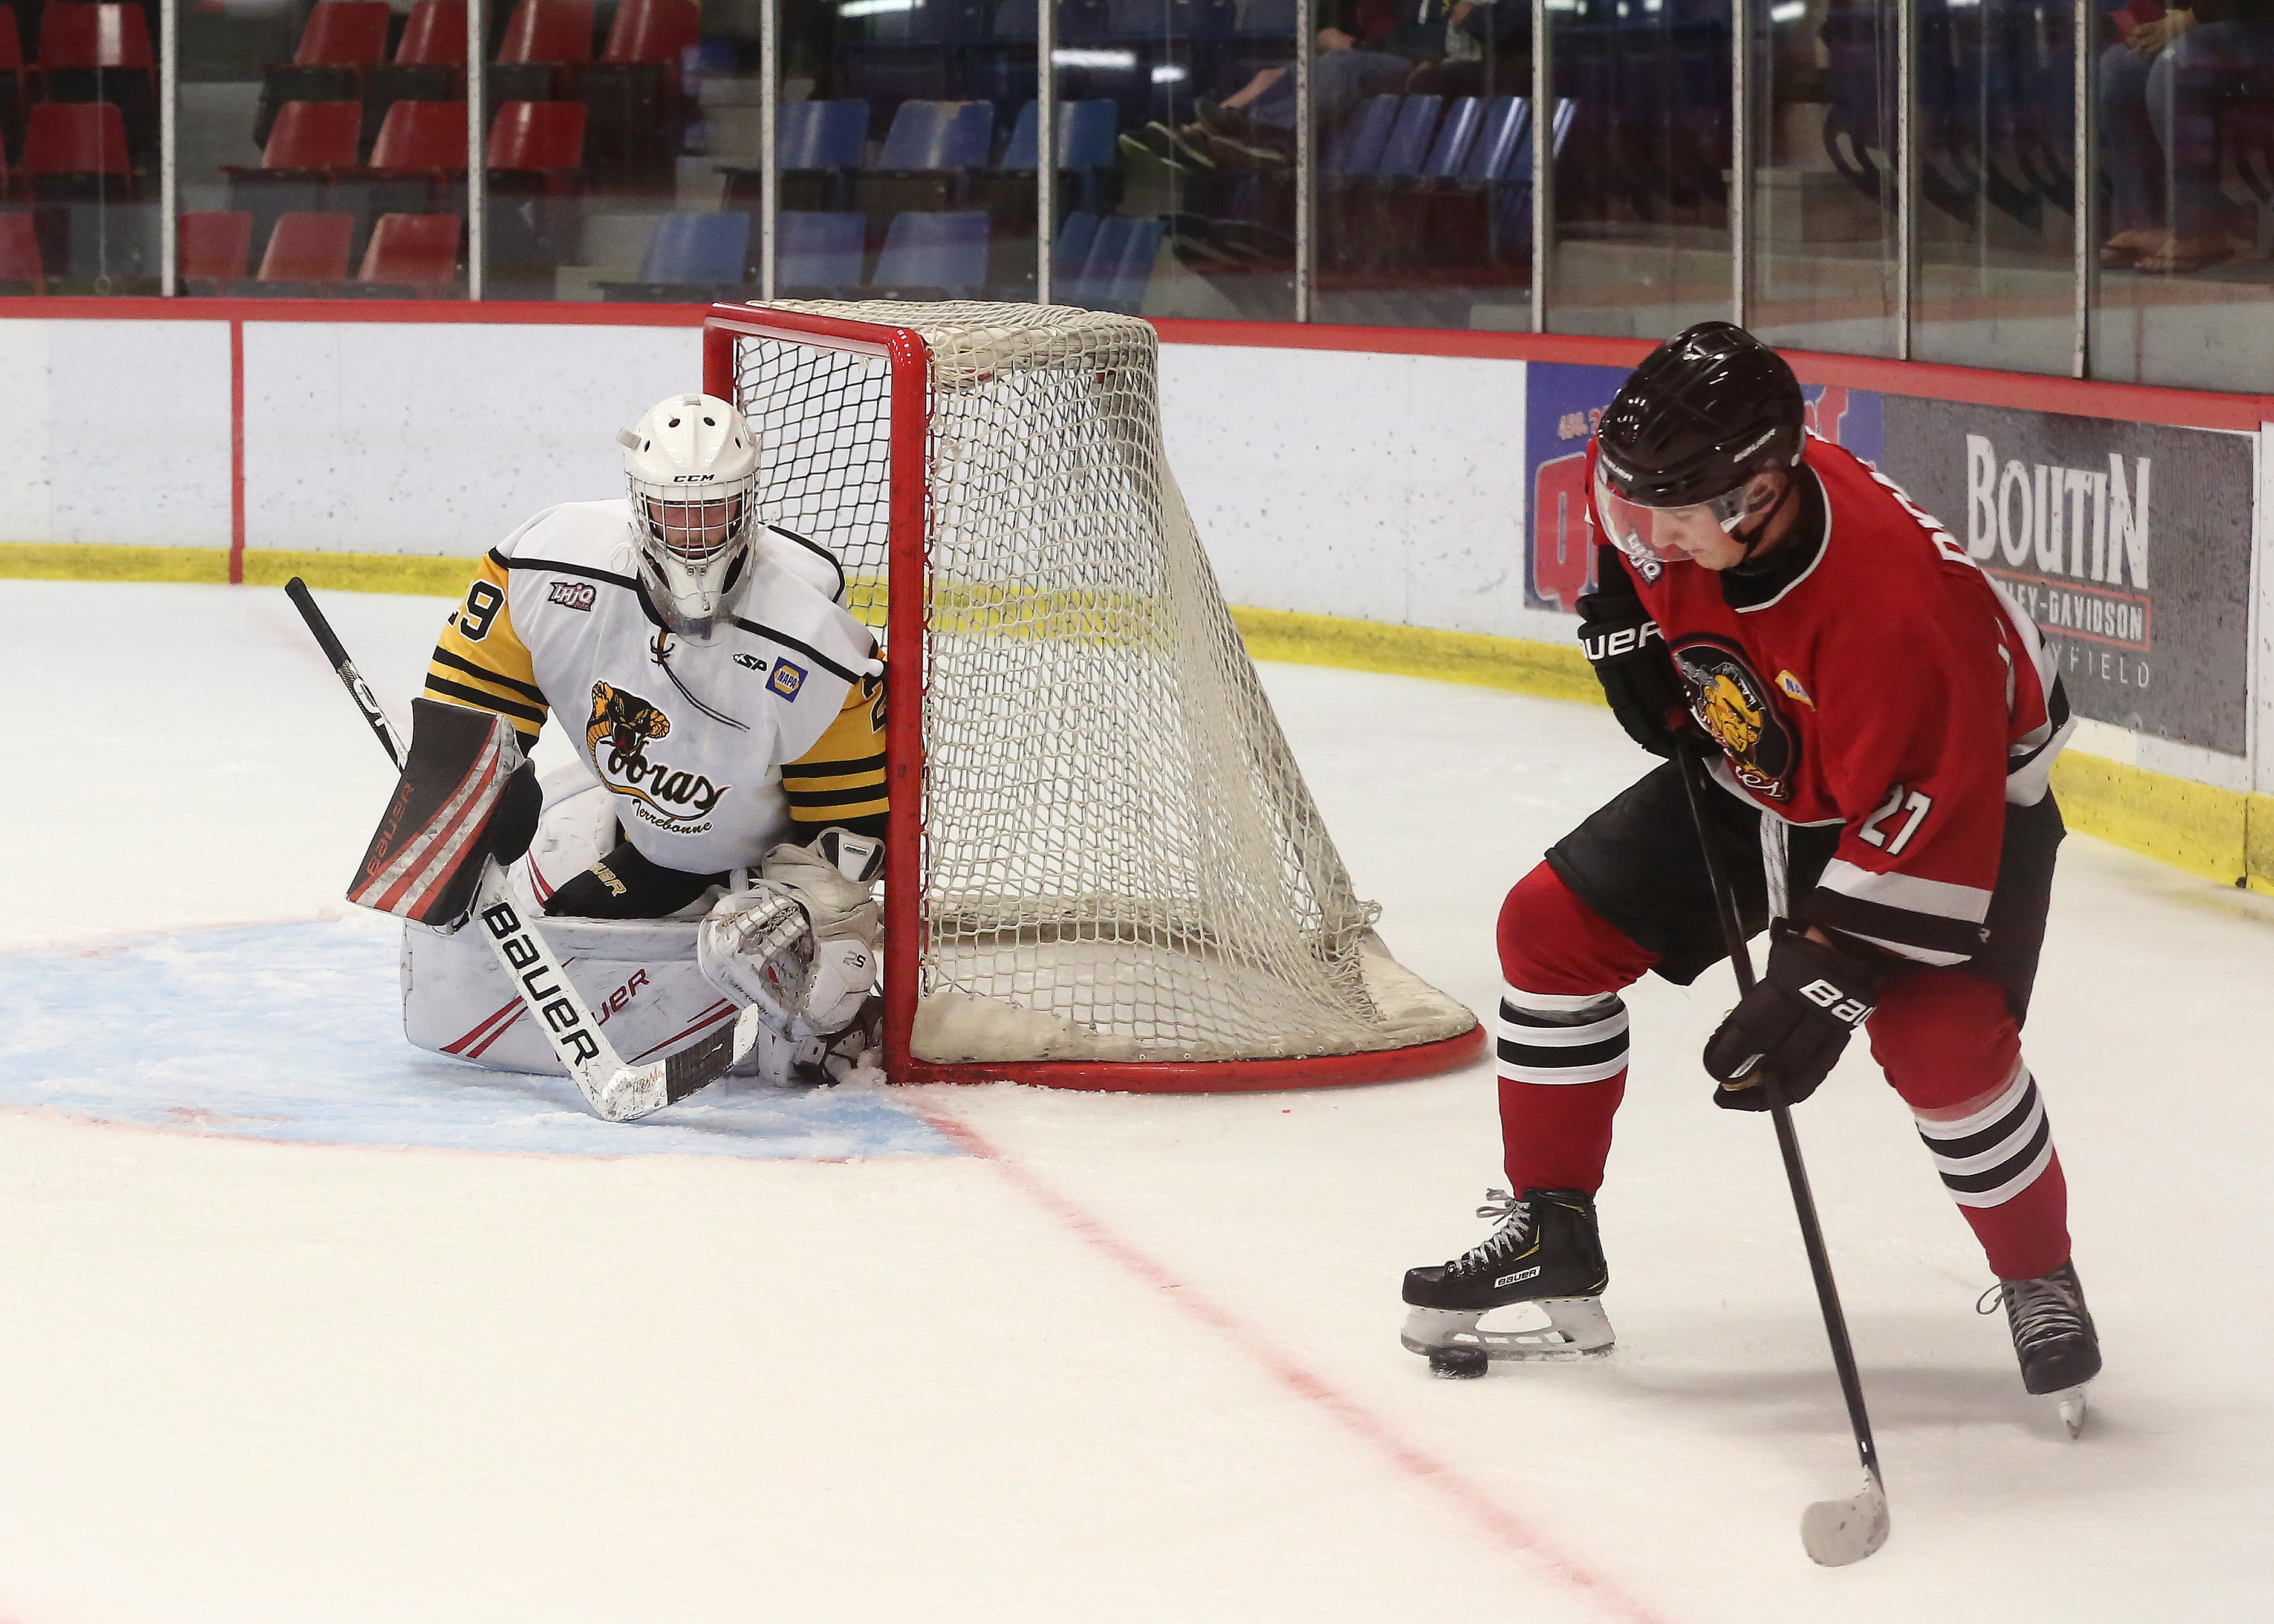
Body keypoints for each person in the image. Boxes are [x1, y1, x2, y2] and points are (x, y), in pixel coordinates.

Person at [1399, 324, 2103, 1418]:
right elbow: (1626, 548)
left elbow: (1924, 810)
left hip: (1956, 796)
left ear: (1762, 491)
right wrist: (1624, 624)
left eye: (1677, 520)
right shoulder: (1657, 481)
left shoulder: (1900, 611)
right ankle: (1552, 1224)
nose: (1655, 535)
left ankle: (2037, 1277)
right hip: (1774, 762)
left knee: (1939, 1041)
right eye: (1641, 511)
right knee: (1547, 929)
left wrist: (1822, 972)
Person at [345, 393, 891, 1098]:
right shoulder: (545, 565)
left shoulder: (814, 644)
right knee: (566, 922)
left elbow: (846, 826)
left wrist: (813, 920)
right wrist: (468, 795)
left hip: (760, 866)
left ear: (747, 504)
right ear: (638, 502)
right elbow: (473, 696)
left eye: (713, 511)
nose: (692, 534)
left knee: (800, 1002)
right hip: (652, 840)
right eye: (672, 511)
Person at [2098, 0, 2274, 274]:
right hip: (2216, 22)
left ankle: (2201, 227)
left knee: (2177, 66)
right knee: (2119, 70)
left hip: (2259, 23)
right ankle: (2150, 224)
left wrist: (2188, 19)